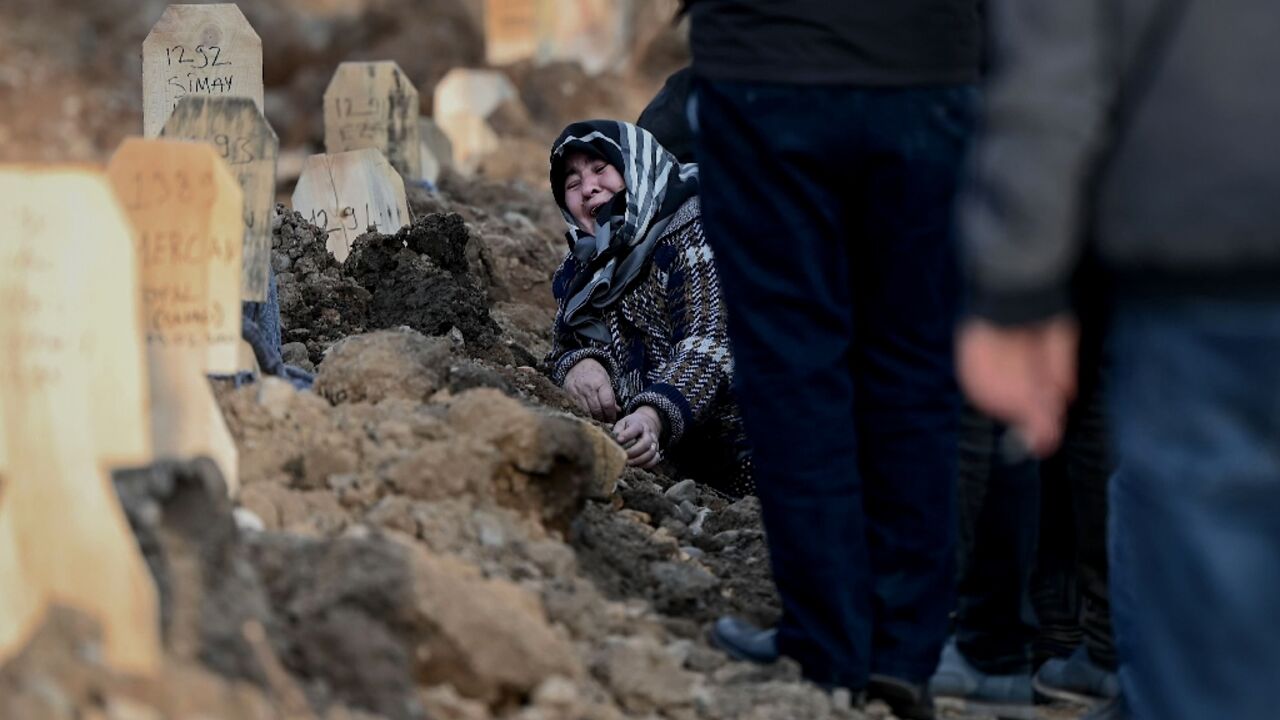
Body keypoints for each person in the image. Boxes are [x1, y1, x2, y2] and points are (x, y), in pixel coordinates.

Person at [957, 1, 1280, 719]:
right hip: (1204, 252)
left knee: (1203, 595)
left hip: (1205, 250)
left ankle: (1112, 661)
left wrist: (1014, 279)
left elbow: (1055, 63)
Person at [686, 1, 983, 717]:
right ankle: (902, 653)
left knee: (792, 362)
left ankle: (829, 645)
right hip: (924, 65)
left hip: (767, 60)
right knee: (914, 365)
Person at [544, 119, 753, 497]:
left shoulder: (699, 225)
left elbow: (711, 342)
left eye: (600, 168)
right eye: (572, 185)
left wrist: (652, 415)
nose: (588, 188)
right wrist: (579, 364)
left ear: (634, 166)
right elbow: (562, 345)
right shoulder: (582, 269)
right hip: (673, 459)